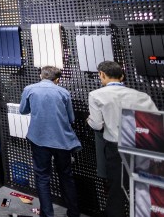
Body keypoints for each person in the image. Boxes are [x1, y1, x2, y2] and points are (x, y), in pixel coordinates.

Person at [87, 61, 158, 216]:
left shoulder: (96, 95)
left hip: (116, 147)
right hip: (141, 146)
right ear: (122, 76)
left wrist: (89, 120)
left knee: (117, 187)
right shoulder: (142, 96)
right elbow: (155, 122)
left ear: (102, 74)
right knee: (143, 187)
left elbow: (96, 125)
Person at [19, 66, 81, 217]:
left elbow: (23, 110)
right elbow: (71, 118)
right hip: (62, 141)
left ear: (41, 76)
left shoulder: (29, 89)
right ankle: (73, 212)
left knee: (42, 177)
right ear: (57, 79)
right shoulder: (63, 92)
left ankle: (47, 214)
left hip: (39, 139)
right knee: (66, 176)